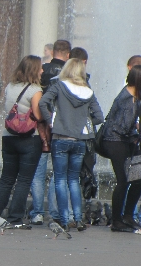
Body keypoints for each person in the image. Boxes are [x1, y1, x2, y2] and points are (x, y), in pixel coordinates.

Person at [39, 58, 104, 233]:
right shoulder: (88, 91)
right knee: (74, 180)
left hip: (61, 137)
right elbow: (99, 116)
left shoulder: (59, 86)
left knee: (60, 179)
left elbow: (43, 102)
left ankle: (65, 219)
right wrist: (83, 123)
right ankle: (78, 218)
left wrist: (51, 120)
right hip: (79, 140)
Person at [0, 56, 43, 229]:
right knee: (24, 180)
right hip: (28, 138)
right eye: (40, 68)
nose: (42, 71)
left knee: (6, 178)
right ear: (33, 70)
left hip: (8, 136)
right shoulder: (35, 90)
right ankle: (15, 217)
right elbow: (38, 115)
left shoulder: (9, 87)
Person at [29, 39, 72, 226]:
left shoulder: (43, 70)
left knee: (38, 171)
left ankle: (37, 212)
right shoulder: (70, 73)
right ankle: (55, 211)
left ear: (53, 52)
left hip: (41, 127)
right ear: (68, 55)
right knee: (59, 172)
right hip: (61, 127)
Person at [102, 65, 141, 233]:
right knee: (123, 180)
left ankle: (127, 216)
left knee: (138, 178)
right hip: (114, 141)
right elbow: (123, 126)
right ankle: (117, 220)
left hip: (122, 140)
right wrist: (138, 137)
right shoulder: (127, 99)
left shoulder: (136, 95)